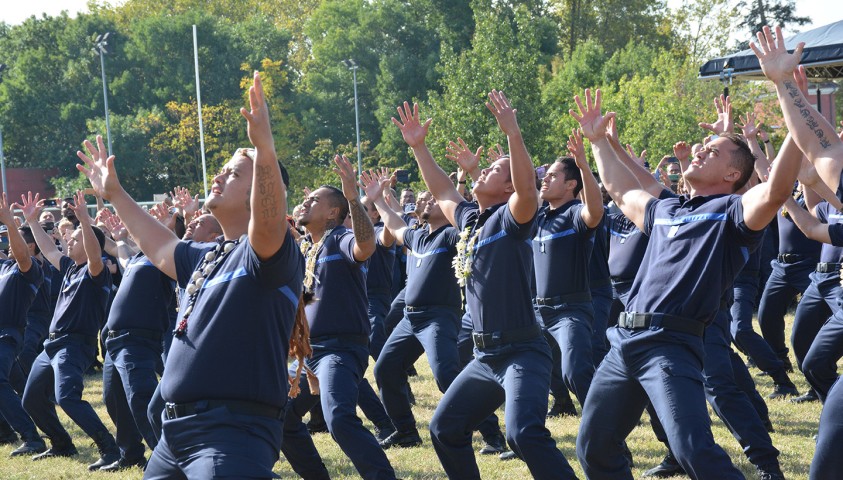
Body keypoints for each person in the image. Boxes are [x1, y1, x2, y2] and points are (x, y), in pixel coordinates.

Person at [570, 40, 801, 477]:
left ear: (733, 175)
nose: (699, 150)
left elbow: (775, 190)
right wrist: (599, 141)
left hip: (671, 347)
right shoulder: (667, 208)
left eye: (712, 152)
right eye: (702, 147)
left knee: (695, 451)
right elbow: (620, 190)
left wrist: (787, 90)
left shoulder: (733, 214)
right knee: (593, 449)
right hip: (623, 343)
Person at [77, 71, 303, 479]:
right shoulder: (208, 255)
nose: (218, 177)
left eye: (234, 173)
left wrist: (264, 150)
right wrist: (116, 193)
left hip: (231, 433)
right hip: (174, 435)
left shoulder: (270, 253)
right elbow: (160, 246)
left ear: (260, 193)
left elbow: (268, 224)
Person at [393, 94, 577, 479]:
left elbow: (528, 190)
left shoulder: (513, 220)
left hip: (522, 352)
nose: (482, 172)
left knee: (523, 433)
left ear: (508, 187)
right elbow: (444, 191)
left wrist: (513, 133)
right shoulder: (471, 221)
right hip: (484, 357)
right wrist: (419, 147)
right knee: (444, 428)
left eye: (494, 170)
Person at [281, 157, 397, 480]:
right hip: (308, 353)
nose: (306, 201)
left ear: (333, 213)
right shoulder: (309, 249)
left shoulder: (339, 239)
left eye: (314, 199)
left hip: (339, 350)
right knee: (282, 414)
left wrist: (350, 198)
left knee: (339, 419)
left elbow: (365, 245)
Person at [363, 169, 464, 450]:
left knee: (446, 374)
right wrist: (380, 200)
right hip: (411, 318)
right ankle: (406, 431)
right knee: (385, 370)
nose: (428, 201)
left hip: (439, 317)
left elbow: (468, 223)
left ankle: (492, 433)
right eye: (426, 199)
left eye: (435, 199)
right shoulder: (418, 237)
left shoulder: (452, 236)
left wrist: (461, 185)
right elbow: (394, 226)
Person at [18, 191, 119, 469]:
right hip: (52, 345)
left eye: (74, 240)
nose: (67, 242)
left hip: (74, 345)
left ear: (89, 246)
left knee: (67, 397)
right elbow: (49, 250)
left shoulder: (94, 273)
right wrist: (32, 221)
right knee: (32, 400)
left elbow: (95, 254)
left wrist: (85, 223)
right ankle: (62, 443)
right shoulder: (70, 268)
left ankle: (109, 449)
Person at [96, 211, 175, 471]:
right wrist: (119, 238)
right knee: (114, 398)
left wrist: (165, 227)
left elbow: (173, 246)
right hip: (115, 343)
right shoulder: (139, 258)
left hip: (138, 339)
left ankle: (169, 459)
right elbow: (124, 257)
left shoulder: (163, 258)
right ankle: (130, 454)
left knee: (140, 398)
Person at [532, 131, 603, 408]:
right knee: (531, 366)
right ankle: (557, 406)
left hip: (569, 310)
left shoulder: (575, 213)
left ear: (571, 184)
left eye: (552, 176)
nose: (545, 179)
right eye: (545, 175)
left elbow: (595, 211)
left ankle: (607, 436)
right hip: (537, 310)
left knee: (576, 372)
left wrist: (584, 165)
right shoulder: (537, 216)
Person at [0, 194, 47, 457]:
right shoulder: (6, 267)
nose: (8, 246)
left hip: (7, 335)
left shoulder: (30, 270)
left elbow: (21, 255)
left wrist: (10, 224)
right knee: (21, 384)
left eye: (16, 242)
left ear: (30, 247)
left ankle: (31, 437)